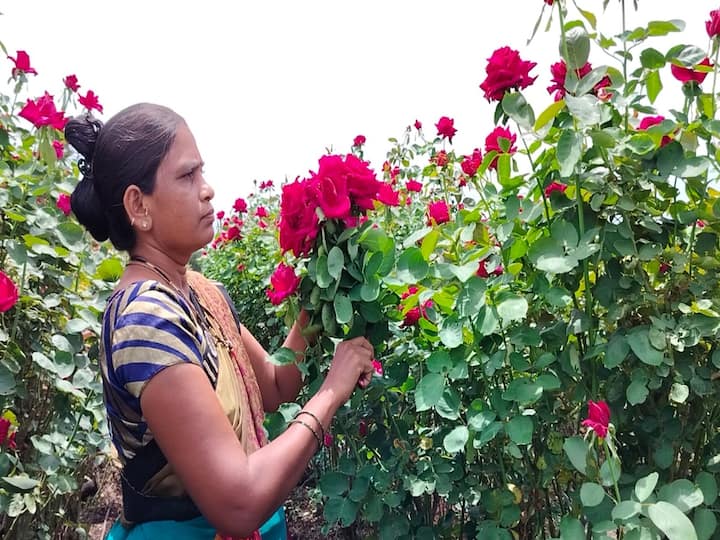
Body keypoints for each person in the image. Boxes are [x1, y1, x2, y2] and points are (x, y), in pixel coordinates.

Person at [64, 103, 375, 540]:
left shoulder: (198, 293)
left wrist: (317, 290)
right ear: (138, 205)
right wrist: (331, 391)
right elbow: (238, 502)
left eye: (202, 173)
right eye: (187, 177)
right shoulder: (146, 318)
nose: (207, 190)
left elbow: (273, 386)